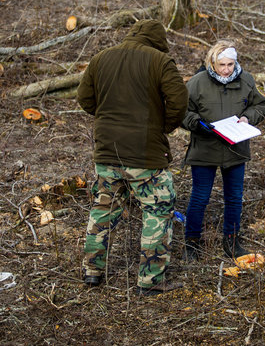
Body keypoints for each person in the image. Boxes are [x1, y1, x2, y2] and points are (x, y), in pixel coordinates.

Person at [77, 19, 189, 297]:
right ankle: (149, 281)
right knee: (158, 211)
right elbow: (179, 102)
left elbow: (84, 99)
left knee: (102, 211)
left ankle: (92, 271)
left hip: (107, 152)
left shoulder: (100, 58)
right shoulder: (160, 61)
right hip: (146, 155)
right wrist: (162, 127)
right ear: (158, 40)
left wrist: (108, 119)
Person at [181, 40, 265, 260]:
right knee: (200, 198)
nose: (227, 69)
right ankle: (191, 244)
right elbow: (182, 111)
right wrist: (200, 125)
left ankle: (232, 243)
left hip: (235, 148)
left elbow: (260, 105)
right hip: (204, 148)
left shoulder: (246, 80)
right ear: (212, 62)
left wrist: (248, 118)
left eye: (231, 64)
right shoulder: (197, 82)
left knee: (234, 197)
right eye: (222, 64)